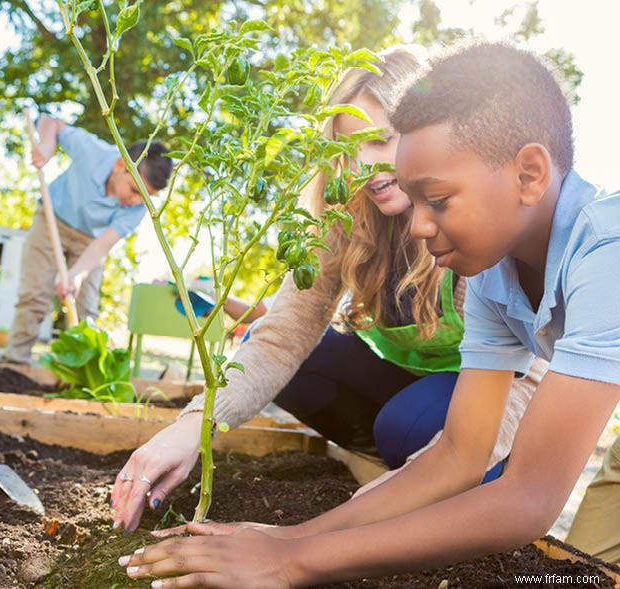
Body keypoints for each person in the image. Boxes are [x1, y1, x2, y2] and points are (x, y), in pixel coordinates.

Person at [117, 40, 620, 587]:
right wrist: (290, 536)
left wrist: (291, 563)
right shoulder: (493, 272)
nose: (422, 229)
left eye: (438, 200)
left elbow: (528, 497)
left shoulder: (606, 252)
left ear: (529, 173)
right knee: (592, 569)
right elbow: (458, 453)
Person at [5, 115, 173, 364]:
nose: (137, 201)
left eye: (146, 197)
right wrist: (47, 147)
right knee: (35, 294)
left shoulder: (138, 209)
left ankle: (79, 371)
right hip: (53, 217)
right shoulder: (94, 152)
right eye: (135, 190)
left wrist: (77, 274)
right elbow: (51, 122)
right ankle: (15, 361)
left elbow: (101, 246)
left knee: (85, 307)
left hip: (90, 240)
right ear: (119, 166)